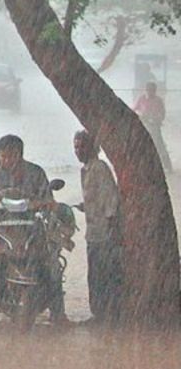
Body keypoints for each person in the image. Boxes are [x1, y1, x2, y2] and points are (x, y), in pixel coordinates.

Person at [0, 134, 70, 326]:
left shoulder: (35, 173)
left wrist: (45, 205)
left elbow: (47, 199)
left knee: (52, 263)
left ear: (20, 155)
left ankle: (58, 313)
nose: (7, 160)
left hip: (30, 227)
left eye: (12, 156)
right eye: (3, 156)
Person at [73, 130, 123, 326]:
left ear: (93, 147)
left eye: (81, 146)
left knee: (103, 276)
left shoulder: (99, 168)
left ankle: (105, 316)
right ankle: (101, 315)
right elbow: (98, 200)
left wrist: (112, 232)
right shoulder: (86, 170)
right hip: (93, 233)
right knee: (96, 276)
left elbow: (111, 201)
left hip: (104, 234)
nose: (77, 151)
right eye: (76, 146)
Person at [133, 81, 172, 172]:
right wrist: (141, 116)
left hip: (154, 126)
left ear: (155, 91)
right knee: (142, 146)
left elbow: (162, 114)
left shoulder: (158, 100)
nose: (150, 92)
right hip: (144, 125)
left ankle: (167, 166)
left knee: (159, 146)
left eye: (152, 90)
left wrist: (156, 118)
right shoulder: (141, 99)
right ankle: (142, 167)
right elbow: (134, 110)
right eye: (148, 90)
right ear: (146, 90)